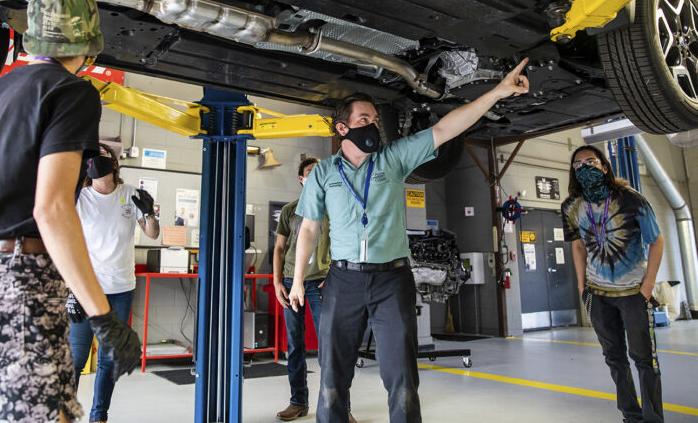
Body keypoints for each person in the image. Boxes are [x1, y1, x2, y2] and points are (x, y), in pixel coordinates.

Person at [0, 0, 141, 423]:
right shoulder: (71, 91)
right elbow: (52, 208)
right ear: (89, 42)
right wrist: (102, 315)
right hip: (14, 284)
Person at [288, 59, 529, 423]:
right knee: (333, 374)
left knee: (401, 375)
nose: (372, 126)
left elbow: (447, 128)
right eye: (363, 120)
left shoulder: (393, 159)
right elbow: (308, 229)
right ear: (343, 128)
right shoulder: (323, 172)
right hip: (343, 280)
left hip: (392, 280)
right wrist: (295, 282)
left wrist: (497, 91)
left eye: (373, 119)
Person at [562, 145, 664, 423]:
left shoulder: (631, 199)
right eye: (578, 163)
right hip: (598, 295)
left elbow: (656, 241)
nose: (584, 167)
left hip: (633, 293)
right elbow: (578, 248)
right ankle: (631, 416)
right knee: (614, 358)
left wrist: (647, 287)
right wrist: (583, 288)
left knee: (645, 359)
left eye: (591, 162)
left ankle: (654, 419)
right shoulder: (572, 206)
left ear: (605, 166)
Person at [68, 142, 160, 423]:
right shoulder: (79, 197)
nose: (96, 160)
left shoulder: (130, 194)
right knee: (77, 357)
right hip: (86, 287)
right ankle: (64, 415)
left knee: (109, 359)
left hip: (120, 288)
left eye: (102, 155)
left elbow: (153, 234)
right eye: (91, 157)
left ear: (114, 163)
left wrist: (149, 213)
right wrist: (69, 289)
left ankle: (99, 416)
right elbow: (67, 243)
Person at [274, 157, 354, 422]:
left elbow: (345, 243)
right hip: (289, 282)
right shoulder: (290, 210)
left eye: (318, 171)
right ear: (301, 179)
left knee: (331, 346)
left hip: (322, 282)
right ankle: (298, 402)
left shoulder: (333, 208)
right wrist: (276, 283)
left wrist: (334, 274)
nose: (314, 175)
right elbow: (279, 248)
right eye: (310, 172)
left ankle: (340, 407)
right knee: (295, 345)